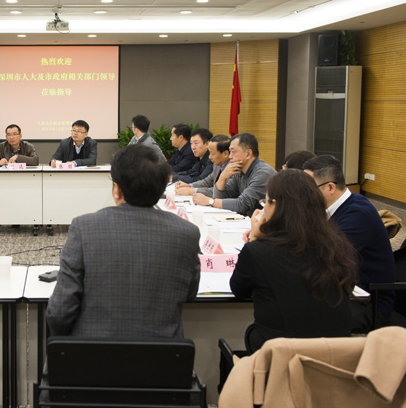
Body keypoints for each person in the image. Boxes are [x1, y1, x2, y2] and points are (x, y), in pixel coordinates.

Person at [47, 144, 201, 338]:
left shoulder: (84, 227)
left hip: (93, 358)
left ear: (116, 190)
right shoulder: (187, 233)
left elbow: (60, 312)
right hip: (164, 361)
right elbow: (189, 293)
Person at [230, 169, 358, 353]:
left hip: (279, 355)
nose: (263, 207)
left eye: (266, 201)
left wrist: (255, 240)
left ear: (277, 206)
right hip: (335, 356)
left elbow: (239, 290)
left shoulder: (258, 251)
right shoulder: (339, 246)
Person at [303, 154, 396, 330]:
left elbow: (320, 257)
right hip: (342, 291)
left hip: (368, 303)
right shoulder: (327, 209)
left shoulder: (358, 214)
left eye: (308, 189)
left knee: (297, 316)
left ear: (330, 187)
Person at [193, 132, 276, 216]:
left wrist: (209, 201)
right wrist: (222, 178)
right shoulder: (239, 170)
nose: (230, 156)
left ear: (248, 154)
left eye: (233, 152)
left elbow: (242, 204)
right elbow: (223, 197)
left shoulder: (263, 173)